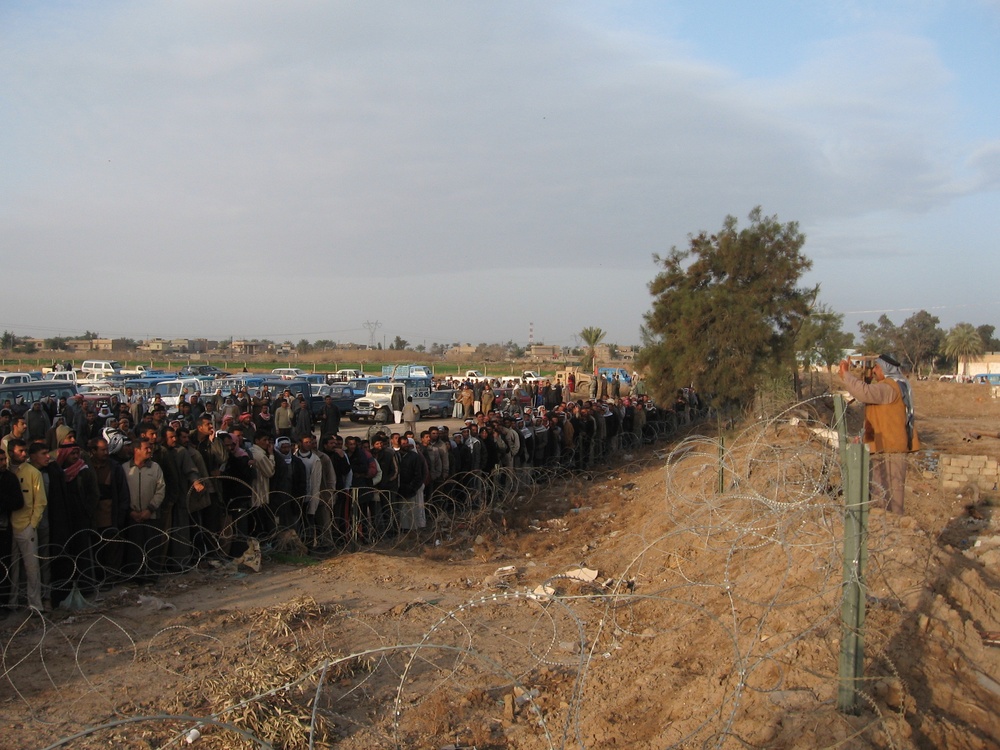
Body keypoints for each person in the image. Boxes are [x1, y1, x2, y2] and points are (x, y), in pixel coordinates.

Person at [839, 354, 920, 515]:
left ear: (885, 369)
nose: (874, 371)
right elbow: (880, 417)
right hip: (884, 447)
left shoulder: (889, 388)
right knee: (881, 493)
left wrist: (846, 374)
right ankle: (884, 526)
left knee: (891, 497)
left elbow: (864, 392)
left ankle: (892, 529)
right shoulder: (895, 386)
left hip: (890, 449)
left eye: (876, 367)